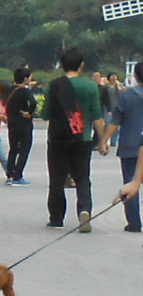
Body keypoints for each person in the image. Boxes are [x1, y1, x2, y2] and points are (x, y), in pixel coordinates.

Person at [44, 48, 106, 231]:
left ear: (62, 66)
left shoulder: (53, 85)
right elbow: (97, 116)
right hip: (82, 138)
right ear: (82, 65)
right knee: (83, 178)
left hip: (57, 138)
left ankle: (56, 218)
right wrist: (102, 141)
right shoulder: (90, 86)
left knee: (56, 179)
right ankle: (84, 210)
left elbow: (46, 113)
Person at [112, 64, 143, 231]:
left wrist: (104, 140)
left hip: (130, 145)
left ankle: (134, 222)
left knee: (130, 183)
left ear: (136, 76)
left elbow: (116, 120)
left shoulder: (127, 95)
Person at [3, 67, 38, 185]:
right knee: (24, 149)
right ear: (25, 78)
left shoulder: (10, 89)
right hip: (23, 123)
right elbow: (33, 102)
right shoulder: (25, 91)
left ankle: (10, 174)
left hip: (12, 123)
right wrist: (29, 112)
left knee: (13, 149)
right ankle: (18, 176)